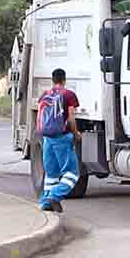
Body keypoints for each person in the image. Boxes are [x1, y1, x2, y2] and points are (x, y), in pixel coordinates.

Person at [37, 68, 82, 212]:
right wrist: (75, 133)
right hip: (61, 138)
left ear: (53, 80)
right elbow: (71, 119)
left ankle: (45, 203)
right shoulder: (68, 95)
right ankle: (54, 196)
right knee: (72, 173)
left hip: (47, 138)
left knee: (51, 175)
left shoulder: (45, 94)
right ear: (64, 80)